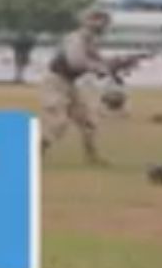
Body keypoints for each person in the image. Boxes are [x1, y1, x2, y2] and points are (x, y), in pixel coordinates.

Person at [42, 9, 118, 166]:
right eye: (101, 22)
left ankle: (92, 157)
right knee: (59, 122)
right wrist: (99, 68)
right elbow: (76, 62)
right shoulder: (77, 39)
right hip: (55, 82)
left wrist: (113, 65)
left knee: (87, 122)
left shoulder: (90, 40)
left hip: (70, 83)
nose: (104, 26)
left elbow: (98, 61)